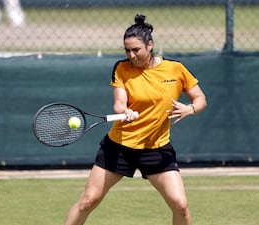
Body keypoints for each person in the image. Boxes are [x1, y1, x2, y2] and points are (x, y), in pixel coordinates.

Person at [64, 14, 207, 225]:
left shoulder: (176, 69)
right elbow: (119, 103)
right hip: (119, 147)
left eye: (136, 50)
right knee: (88, 201)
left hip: (156, 149)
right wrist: (125, 111)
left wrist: (190, 108)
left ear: (150, 45)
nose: (131, 55)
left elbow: (200, 98)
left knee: (181, 205)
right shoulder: (122, 68)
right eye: (127, 50)